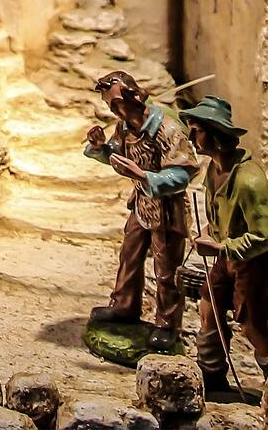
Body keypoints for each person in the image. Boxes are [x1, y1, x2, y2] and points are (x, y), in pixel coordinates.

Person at [183, 95, 268, 394]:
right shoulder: (213, 170)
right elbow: (220, 216)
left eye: (196, 131)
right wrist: (209, 233)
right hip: (225, 259)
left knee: (253, 325)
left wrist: (221, 248)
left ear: (216, 133)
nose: (190, 137)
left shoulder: (249, 180)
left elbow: (264, 235)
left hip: (252, 263)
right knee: (209, 307)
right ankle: (212, 377)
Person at [83, 70, 196, 351]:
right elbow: (117, 154)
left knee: (166, 269)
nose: (113, 110)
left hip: (167, 209)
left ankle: (167, 323)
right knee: (130, 255)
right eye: (110, 105)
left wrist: (145, 177)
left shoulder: (167, 129)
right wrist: (100, 148)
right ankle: (124, 305)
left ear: (133, 98)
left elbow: (182, 174)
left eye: (116, 104)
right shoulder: (125, 128)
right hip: (141, 204)